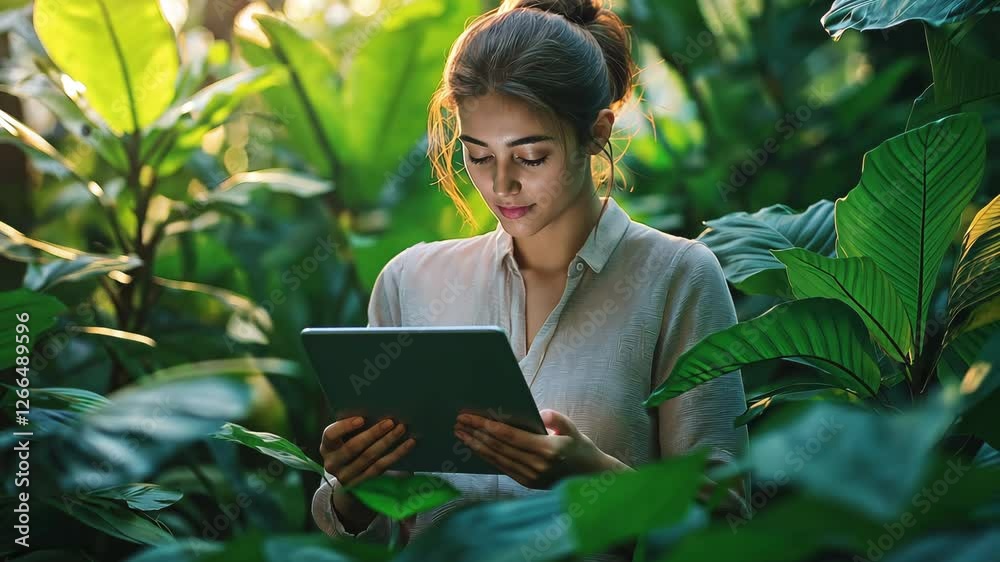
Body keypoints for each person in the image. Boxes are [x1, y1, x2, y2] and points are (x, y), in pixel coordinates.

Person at [312, 0, 749, 559]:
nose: (502, 185)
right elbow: (366, 527)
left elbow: (724, 523)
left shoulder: (676, 278)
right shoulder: (412, 280)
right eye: (477, 155)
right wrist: (352, 484)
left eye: (532, 157)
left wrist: (589, 474)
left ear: (597, 133)